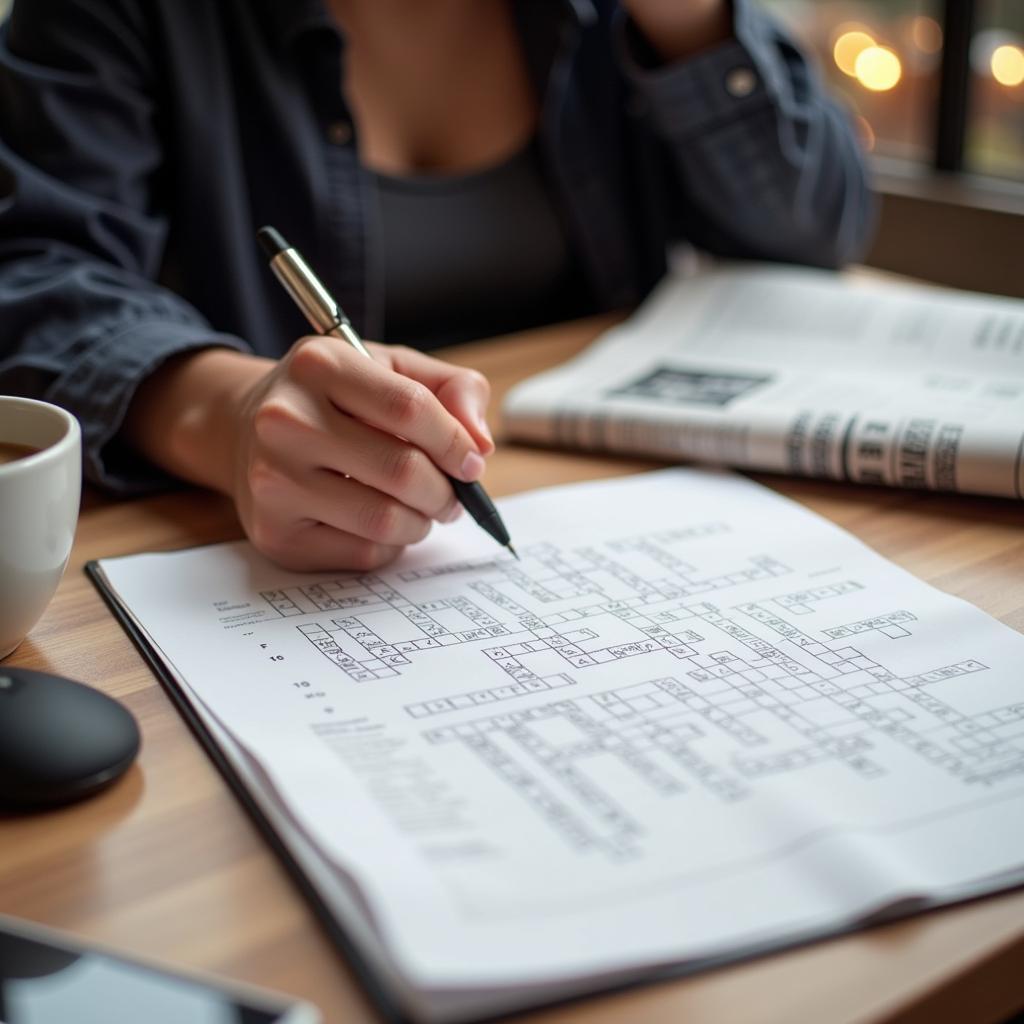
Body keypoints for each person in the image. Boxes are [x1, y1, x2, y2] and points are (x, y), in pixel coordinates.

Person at [0, 0, 874, 570]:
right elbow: (31, 267)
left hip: (613, 493)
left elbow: (817, 231)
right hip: (215, 544)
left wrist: (690, 23)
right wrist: (223, 414)